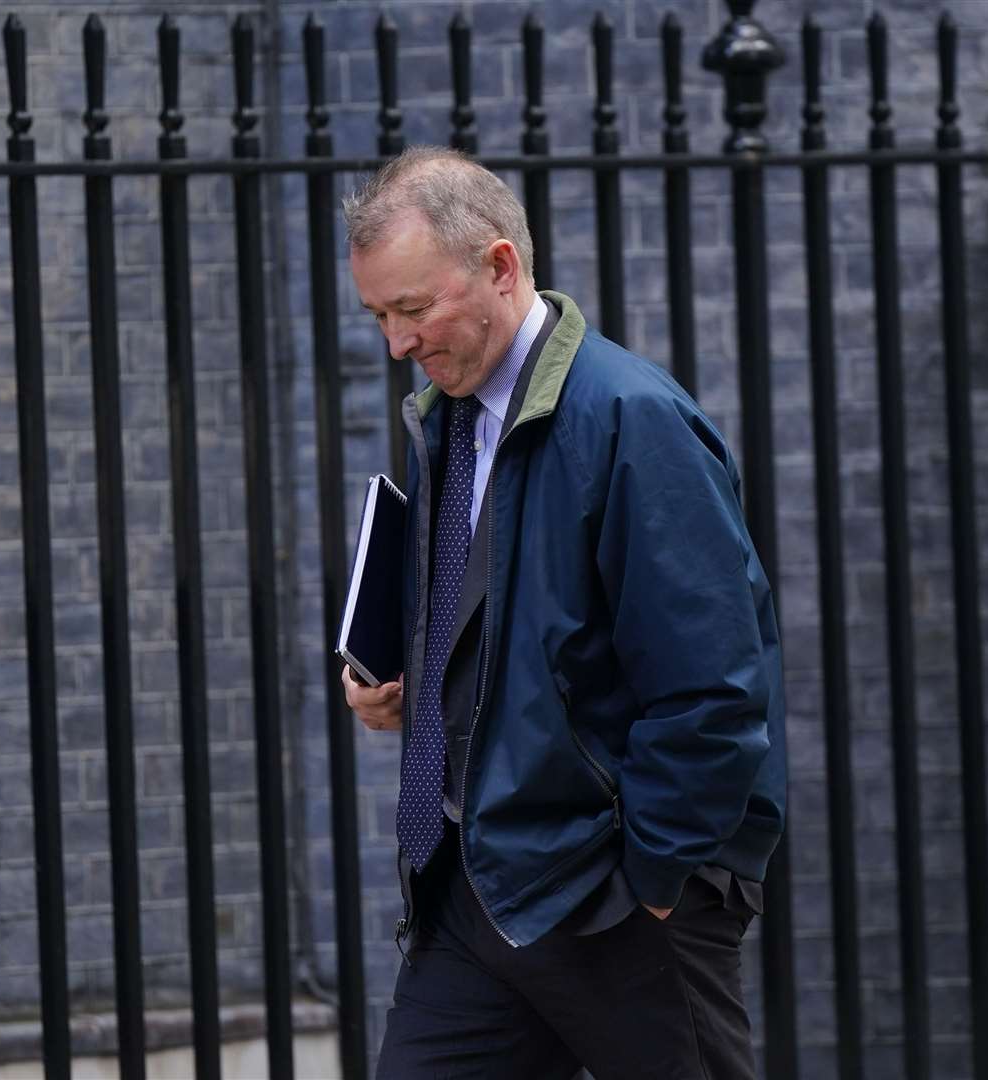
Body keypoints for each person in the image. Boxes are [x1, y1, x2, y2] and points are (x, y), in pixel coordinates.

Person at [340, 146, 785, 1080]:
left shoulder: (630, 418)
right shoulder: (452, 416)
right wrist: (409, 687)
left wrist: (653, 882)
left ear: (501, 267)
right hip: (475, 890)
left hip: (611, 897)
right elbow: (522, 636)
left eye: (414, 309)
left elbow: (714, 685)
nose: (397, 344)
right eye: (380, 316)